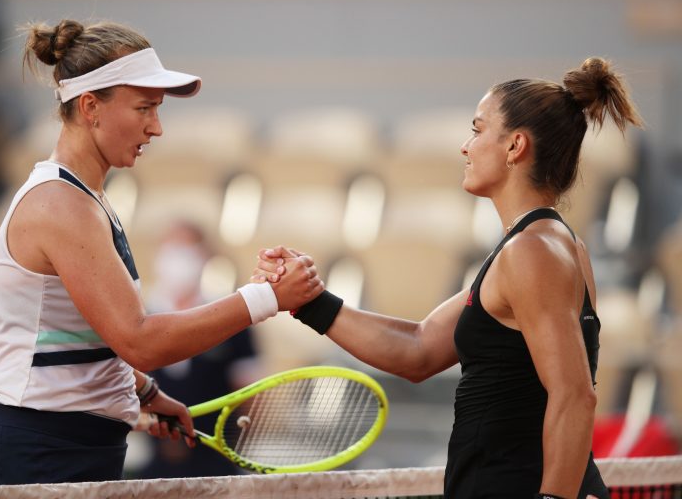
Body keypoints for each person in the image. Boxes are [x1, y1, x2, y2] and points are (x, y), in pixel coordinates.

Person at [255, 57, 643, 498]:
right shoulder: (543, 246)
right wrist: (310, 301)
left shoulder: (533, 252)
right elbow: (418, 349)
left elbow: (575, 396)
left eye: (477, 130)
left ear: (515, 146)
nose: (466, 146)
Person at [0, 19, 322, 486]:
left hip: (68, 450)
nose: (156, 127)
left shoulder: (84, 200)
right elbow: (139, 340)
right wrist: (266, 298)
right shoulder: (60, 204)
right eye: (145, 108)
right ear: (91, 107)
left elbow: (83, 336)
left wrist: (145, 391)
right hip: (37, 456)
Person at [138, 220, 262, 478]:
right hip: (153, 463)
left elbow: (248, 393)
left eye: (186, 249)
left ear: (204, 256)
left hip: (216, 461)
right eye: (171, 249)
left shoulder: (230, 319)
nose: (177, 259)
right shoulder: (136, 318)